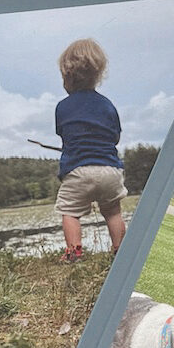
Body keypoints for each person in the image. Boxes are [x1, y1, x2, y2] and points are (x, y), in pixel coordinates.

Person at [53, 38, 127, 260]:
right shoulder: (107, 104)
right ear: (98, 75)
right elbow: (115, 136)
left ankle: (74, 251)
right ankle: (120, 250)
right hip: (110, 171)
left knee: (70, 211)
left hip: (78, 172)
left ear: (67, 76)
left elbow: (64, 135)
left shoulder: (62, 107)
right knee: (113, 211)